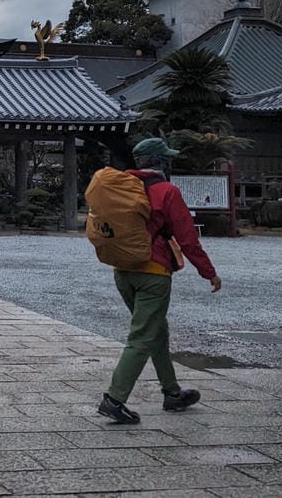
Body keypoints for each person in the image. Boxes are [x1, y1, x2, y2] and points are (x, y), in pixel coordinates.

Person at [97, 137, 222, 424]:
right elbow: (188, 240)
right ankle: (113, 399)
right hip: (153, 273)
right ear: (159, 162)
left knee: (156, 330)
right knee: (142, 337)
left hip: (122, 270)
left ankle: (172, 392)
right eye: (166, 157)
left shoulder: (121, 189)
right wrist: (209, 272)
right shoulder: (167, 192)